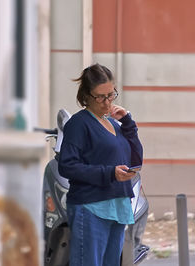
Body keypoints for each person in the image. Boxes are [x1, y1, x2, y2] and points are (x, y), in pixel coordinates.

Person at [58, 63, 143, 266]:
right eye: (100, 97)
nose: (107, 102)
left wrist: (128, 123)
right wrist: (110, 173)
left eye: (111, 95)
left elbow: (136, 160)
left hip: (117, 204)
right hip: (90, 207)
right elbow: (67, 166)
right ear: (87, 96)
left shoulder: (114, 123)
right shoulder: (78, 124)